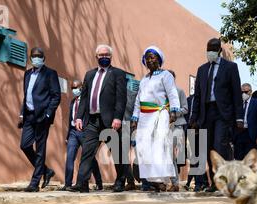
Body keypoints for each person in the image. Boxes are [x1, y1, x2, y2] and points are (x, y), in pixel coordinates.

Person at [189, 38, 243, 192]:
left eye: (213, 48)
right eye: (208, 49)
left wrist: (239, 117)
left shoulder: (231, 67)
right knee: (208, 149)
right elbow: (197, 96)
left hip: (222, 114)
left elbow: (236, 94)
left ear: (219, 50)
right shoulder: (202, 69)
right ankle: (214, 182)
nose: (210, 52)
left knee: (220, 146)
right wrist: (194, 118)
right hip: (206, 113)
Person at [75, 44, 127, 193]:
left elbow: (121, 99)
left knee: (117, 153)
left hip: (111, 121)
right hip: (92, 120)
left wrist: (118, 117)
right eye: (101, 55)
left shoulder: (118, 74)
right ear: (96, 57)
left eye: (107, 55)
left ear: (111, 57)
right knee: (87, 151)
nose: (104, 57)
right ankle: (82, 183)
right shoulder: (89, 75)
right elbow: (84, 97)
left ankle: (120, 181)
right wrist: (79, 117)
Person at [131, 46, 180, 192]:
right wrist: (135, 117)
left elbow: (172, 93)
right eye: (147, 58)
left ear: (159, 59)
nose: (150, 60)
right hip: (145, 117)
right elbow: (138, 100)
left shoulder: (166, 75)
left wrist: (174, 111)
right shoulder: (144, 80)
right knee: (144, 147)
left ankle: (166, 180)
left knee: (160, 147)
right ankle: (154, 180)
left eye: (153, 57)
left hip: (160, 114)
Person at [18, 47, 61, 192]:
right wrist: (22, 114)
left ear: (44, 58)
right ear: (30, 58)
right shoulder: (27, 74)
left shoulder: (50, 74)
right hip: (29, 115)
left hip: (42, 117)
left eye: (39, 56)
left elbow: (56, 96)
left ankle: (34, 183)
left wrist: (48, 114)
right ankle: (46, 171)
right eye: (34, 56)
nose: (37, 58)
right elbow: (26, 95)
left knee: (40, 149)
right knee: (24, 145)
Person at [60, 80, 102, 192]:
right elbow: (70, 119)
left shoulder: (88, 101)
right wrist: (68, 135)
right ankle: (67, 184)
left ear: (82, 87)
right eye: (72, 88)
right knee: (69, 157)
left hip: (85, 132)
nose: (74, 90)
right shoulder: (73, 102)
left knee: (89, 158)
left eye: (76, 87)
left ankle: (98, 182)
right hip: (73, 132)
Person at [168, 70, 189, 192]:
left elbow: (186, 109)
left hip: (177, 127)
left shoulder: (179, 91)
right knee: (167, 156)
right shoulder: (161, 93)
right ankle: (171, 182)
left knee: (170, 155)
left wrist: (174, 113)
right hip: (163, 127)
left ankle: (175, 183)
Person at [234, 83, 257, 162]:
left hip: (251, 134)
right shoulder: (238, 103)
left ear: (250, 92)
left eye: (246, 92)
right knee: (238, 158)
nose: (243, 94)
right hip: (238, 133)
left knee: (250, 159)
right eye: (241, 92)